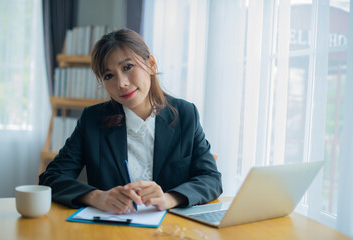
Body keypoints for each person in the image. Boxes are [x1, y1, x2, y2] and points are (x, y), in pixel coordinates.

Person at [39, 29, 222, 214]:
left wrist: (169, 198)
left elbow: (211, 179)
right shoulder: (92, 120)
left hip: (171, 230)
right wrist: (96, 196)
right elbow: (51, 177)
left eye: (127, 67)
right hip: (111, 229)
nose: (121, 83)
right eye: (108, 76)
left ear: (151, 64)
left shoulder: (185, 114)